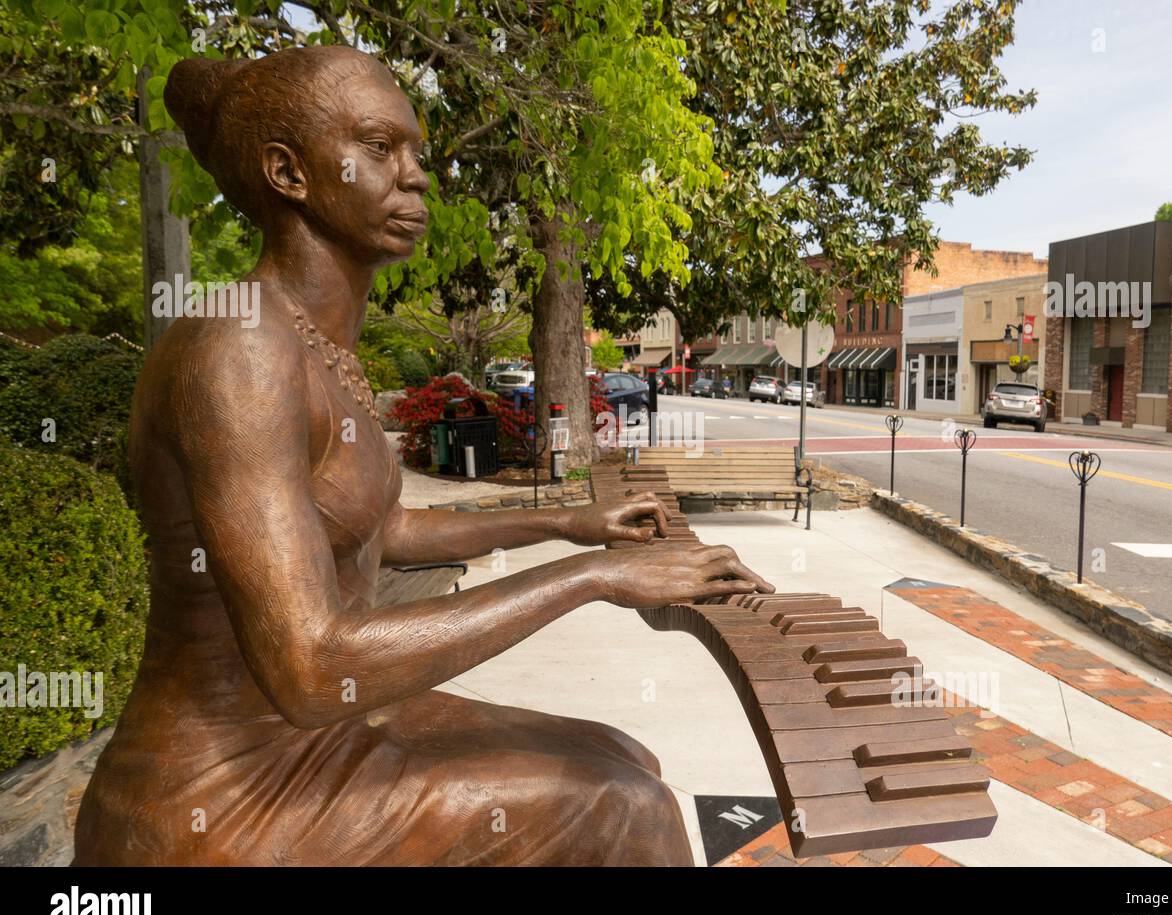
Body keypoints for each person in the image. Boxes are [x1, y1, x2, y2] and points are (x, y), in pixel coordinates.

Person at [74, 46, 772, 867]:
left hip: (320, 732)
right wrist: (594, 580)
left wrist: (572, 523)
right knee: (630, 809)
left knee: (627, 756)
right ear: (288, 171)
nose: (416, 178)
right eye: (379, 148)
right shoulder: (238, 350)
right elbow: (310, 664)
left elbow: (387, 527)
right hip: (221, 792)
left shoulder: (318, 344)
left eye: (416, 153)